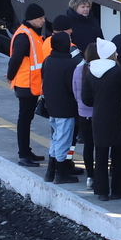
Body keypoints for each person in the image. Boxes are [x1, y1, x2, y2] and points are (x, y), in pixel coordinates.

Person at [82, 38, 121, 200]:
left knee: (101, 156)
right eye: (114, 52)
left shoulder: (90, 73)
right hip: (118, 117)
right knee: (119, 155)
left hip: (99, 118)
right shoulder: (120, 73)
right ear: (110, 55)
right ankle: (119, 189)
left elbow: (86, 99)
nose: (117, 54)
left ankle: (101, 191)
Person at [7, 3, 49, 167]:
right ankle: (23, 154)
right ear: (32, 19)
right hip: (26, 85)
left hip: (30, 84)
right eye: (40, 18)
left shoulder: (31, 33)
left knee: (27, 119)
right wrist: (10, 76)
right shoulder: (25, 36)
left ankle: (26, 151)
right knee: (24, 120)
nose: (43, 21)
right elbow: (15, 59)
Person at [40, 31, 81, 184]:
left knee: (55, 138)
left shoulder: (48, 61)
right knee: (64, 140)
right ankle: (60, 173)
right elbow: (73, 88)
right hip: (66, 108)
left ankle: (50, 171)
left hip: (52, 107)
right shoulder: (69, 64)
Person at [72, 43, 98, 180]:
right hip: (98, 114)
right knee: (100, 145)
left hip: (83, 113)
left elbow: (75, 93)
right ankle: (100, 174)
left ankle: (90, 176)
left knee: (88, 145)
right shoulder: (99, 71)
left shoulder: (78, 70)